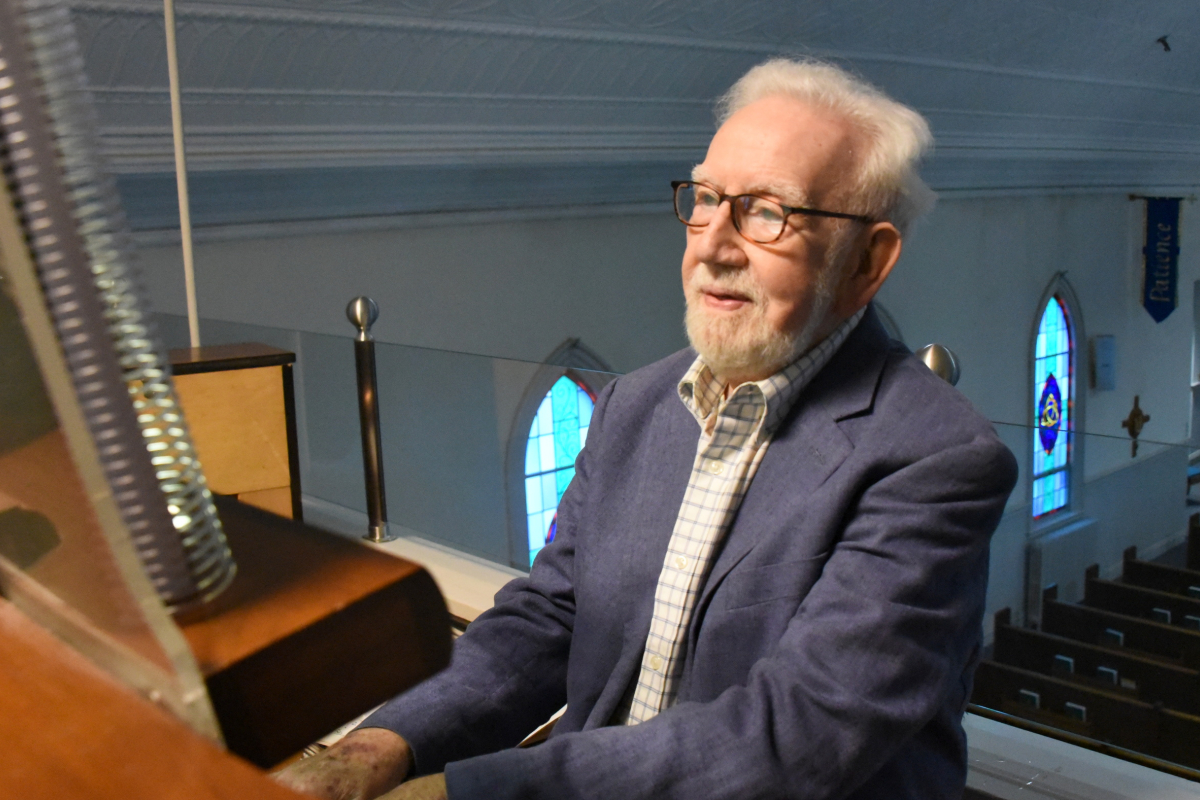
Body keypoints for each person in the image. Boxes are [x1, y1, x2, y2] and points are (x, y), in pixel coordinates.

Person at [275, 57, 1017, 800]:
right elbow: (548, 618)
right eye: (705, 199)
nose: (714, 246)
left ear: (868, 260)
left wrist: (462, 793)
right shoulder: (636, 403)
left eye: (767, 212)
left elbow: (801, 733)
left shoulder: (938, 456)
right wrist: (382, 748)